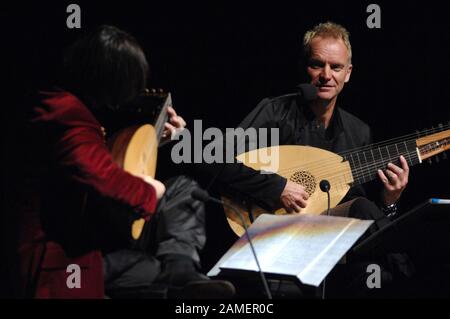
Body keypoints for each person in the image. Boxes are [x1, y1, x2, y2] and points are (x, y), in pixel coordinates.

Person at [6, 25, 234, 299]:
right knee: (166, 202)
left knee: (154, 257)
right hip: (57, 263)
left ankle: (182, 274)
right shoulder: (65, 113)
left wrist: (156, 141)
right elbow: (102, 177)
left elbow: (96, 160)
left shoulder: (66, 107)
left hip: (85, 251)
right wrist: (150, 191)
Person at [200, 22, 413, 296]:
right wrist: (278, 187)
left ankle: (409, 272)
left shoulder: (358, 131)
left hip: (326, 246)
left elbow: (357, 214)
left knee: (375, 268)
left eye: (336, 67)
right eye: (317, 65)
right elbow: (213, 157)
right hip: (273, 234)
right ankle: (413, 266)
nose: (326, 75)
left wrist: (389, 202)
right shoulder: (274, 112)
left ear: (348, 74)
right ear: (304, 67)